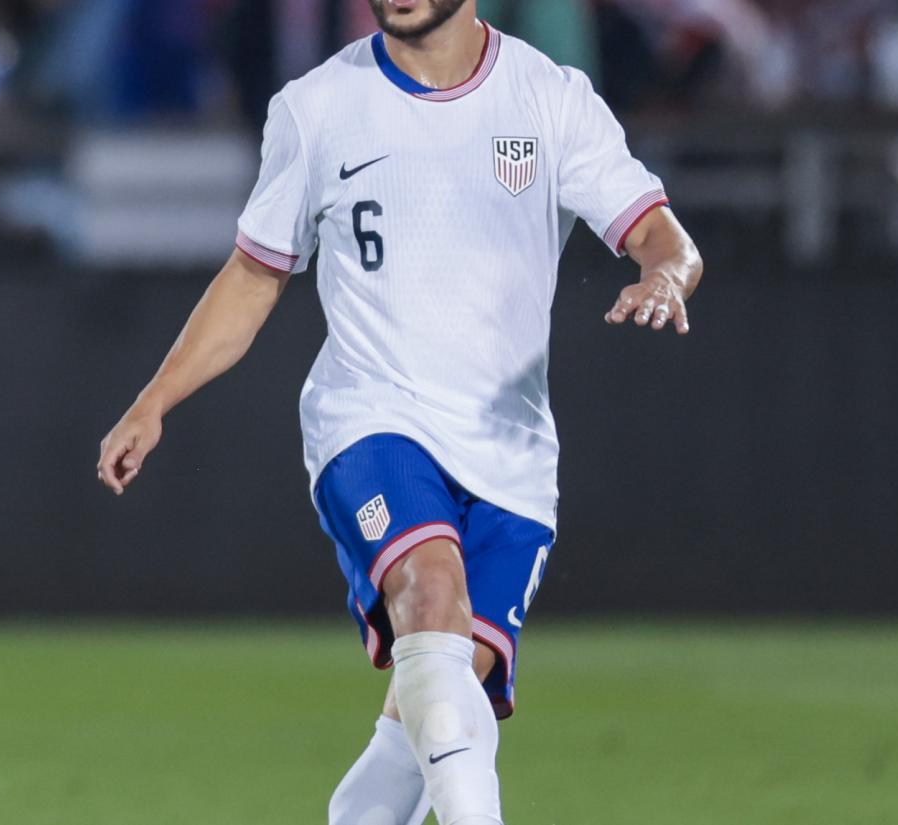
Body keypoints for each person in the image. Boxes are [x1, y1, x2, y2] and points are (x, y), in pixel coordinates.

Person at [92, 1, 702, 822]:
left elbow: (664, 237)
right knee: (429, 590)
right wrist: (153, 399)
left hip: (510, 455)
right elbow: (255, 272)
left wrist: (665, 274)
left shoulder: (550, 99)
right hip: (370, 421)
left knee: (447, 694)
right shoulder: (317, 108)